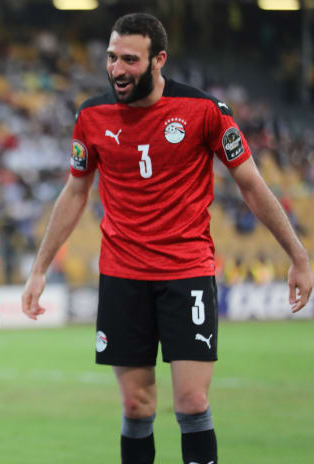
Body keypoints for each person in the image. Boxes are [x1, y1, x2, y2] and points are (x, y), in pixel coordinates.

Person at [21, 12, 313, 464]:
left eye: (130, 60)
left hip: (186, 274)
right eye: (112, 57)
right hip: (122, 277)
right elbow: (75, 191)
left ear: (159, 60)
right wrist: (39, 269)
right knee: (136, 406)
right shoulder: (92, 115)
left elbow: (253, 185)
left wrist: (298, 255)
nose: (118, 69)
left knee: (192, 404)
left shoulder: (205, 112)